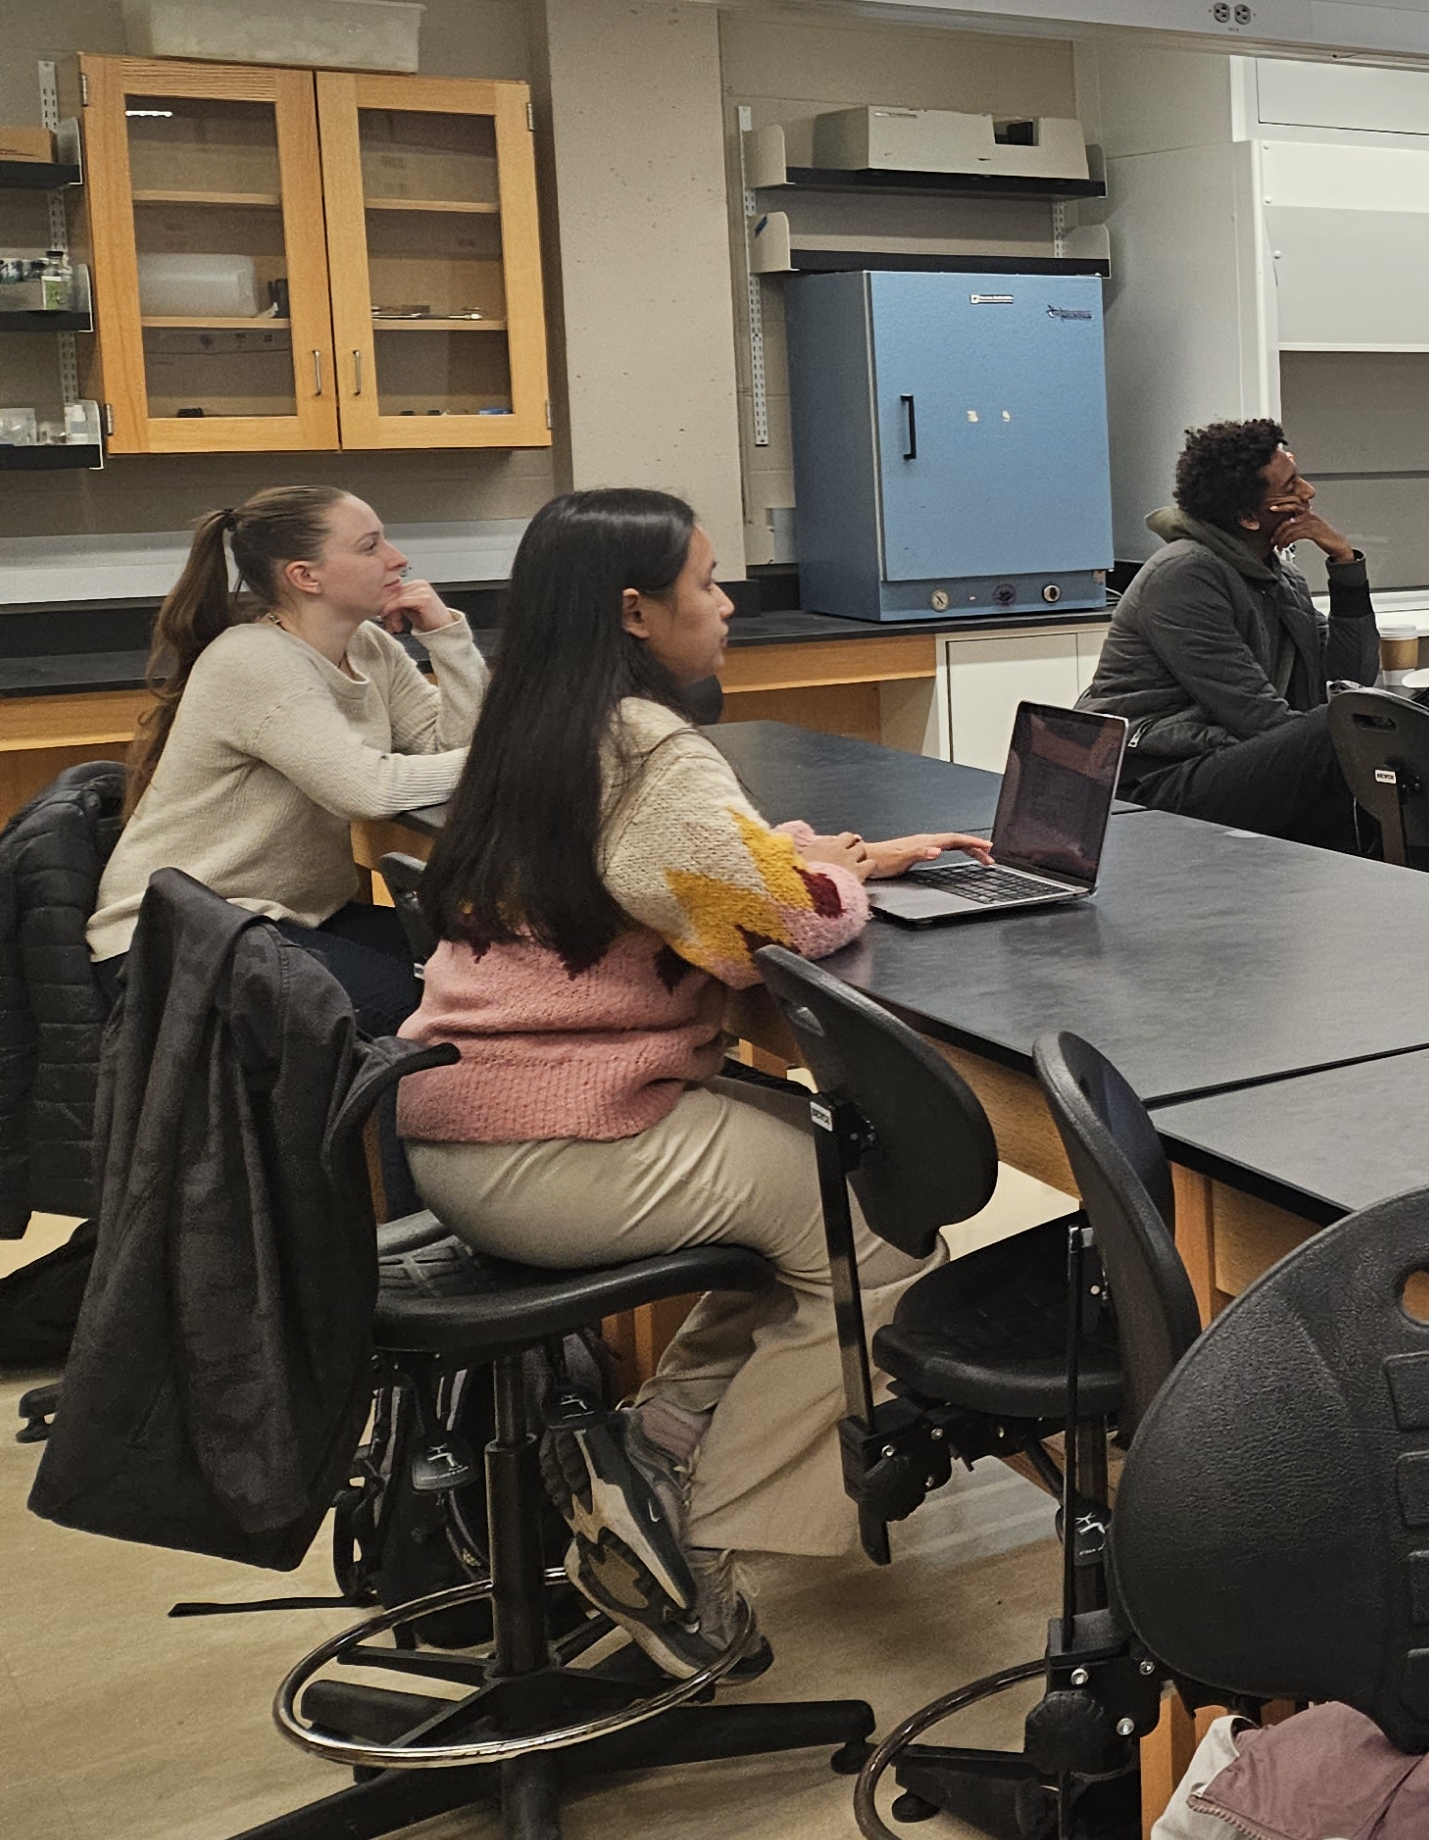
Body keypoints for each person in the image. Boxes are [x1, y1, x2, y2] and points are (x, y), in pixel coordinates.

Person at [399, 487, 990, 1672]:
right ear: (635, 610)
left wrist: (843, 861)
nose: (726, 606)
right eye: (707, 583)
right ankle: (694, 1544)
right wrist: (835, 882)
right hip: (561, 1145)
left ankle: (655, 1445)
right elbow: (774, 927)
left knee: (814, 1190)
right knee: (881, 1231)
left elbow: (699, 884)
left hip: (465, 1125)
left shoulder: (537, 725)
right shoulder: (651, 747)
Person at [88, 487, 485, 1034]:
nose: (398, 559)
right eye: (371, 547)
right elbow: (366, 789)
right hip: (182, 939)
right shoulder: (254, 661)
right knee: (430, 1014)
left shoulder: (367, 646)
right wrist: (504, 760)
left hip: (287, 918)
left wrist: (447, 638)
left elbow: (448, 750)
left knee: (487, 975)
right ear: (306, 576)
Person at [1079, 416, 1383, 849]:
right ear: (1248, 517)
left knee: (1407, 721)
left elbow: (1350, 678)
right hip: (1150, 782)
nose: (1309, 493)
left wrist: (1346, 566)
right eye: (1292, 486)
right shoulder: (1185, 575)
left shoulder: (1278, 579)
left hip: (1221, 760)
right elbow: (1257, 717)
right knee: (1336, 734)